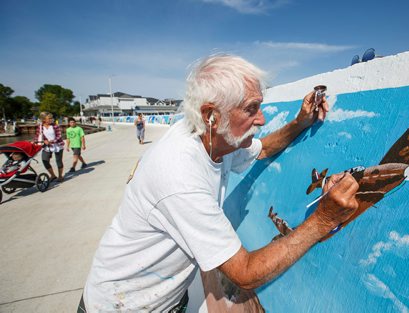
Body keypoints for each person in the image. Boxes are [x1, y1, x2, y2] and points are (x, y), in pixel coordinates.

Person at [81, 54, 359, 312]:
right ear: (211, 115)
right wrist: (322, 220)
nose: (261, 119)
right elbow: (245, 272)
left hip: (164, 299)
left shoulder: (210, 136)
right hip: (122, 306)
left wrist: (299, 123)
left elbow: (260, 149)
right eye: (251, 109)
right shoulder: (179, 173)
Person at [34, 112, 65, 182]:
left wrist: (52, 141)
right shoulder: (40, 127)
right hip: (47, 146)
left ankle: (60, 176)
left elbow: (59, 136)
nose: (51, 119)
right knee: (45, 160)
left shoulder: (55, 126)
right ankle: (53, 175)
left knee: (59, 161)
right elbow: (37, 136)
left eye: (52, 118)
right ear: (44, 119)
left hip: (57, 145)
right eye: (49, 118)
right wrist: (42, 141)